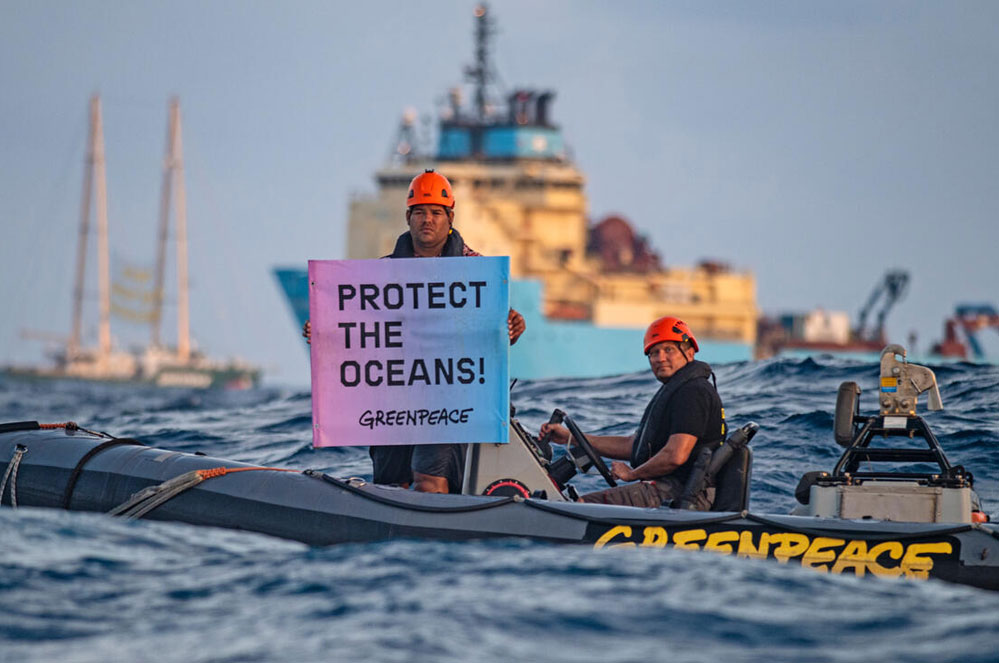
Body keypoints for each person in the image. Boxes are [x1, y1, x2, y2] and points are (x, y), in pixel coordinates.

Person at [304, 169, 525, 494]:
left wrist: (513, 327)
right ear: (408, 217)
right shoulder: (380, 273)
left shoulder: (478, 271)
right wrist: (324, 330)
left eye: (436, 212)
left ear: (450, 217)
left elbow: (494, 330)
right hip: (394, 398)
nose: (428, 220)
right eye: (420, 212)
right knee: (391, 484)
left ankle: (439, 540)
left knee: (430, 482)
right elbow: (358, 330)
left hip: (449, 398)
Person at [540, 317, 725, 509]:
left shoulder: (693, 392)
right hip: (674, 487)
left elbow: (676, 455)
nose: (660, 358)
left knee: (582, 506)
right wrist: (571, 439)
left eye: (668, 349)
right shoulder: (679, 390)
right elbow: (633, 446)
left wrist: (632, 475)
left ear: (689, 352)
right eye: (654, 353)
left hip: (683, 491)